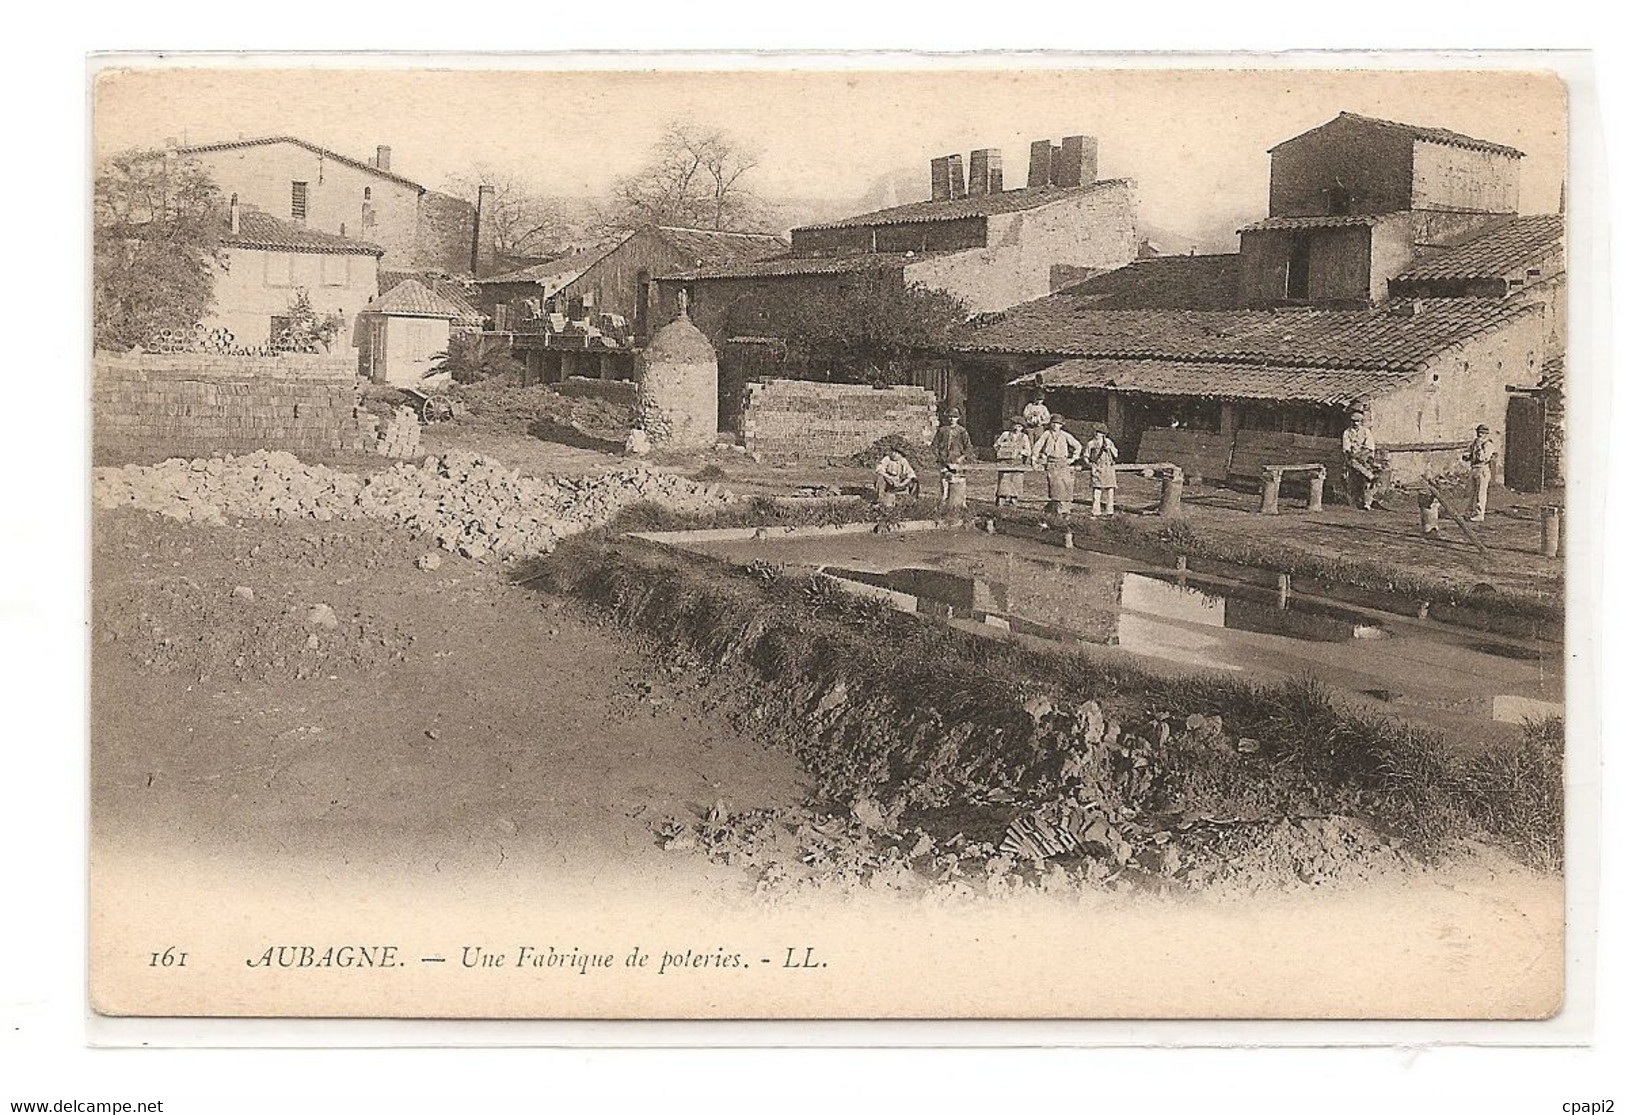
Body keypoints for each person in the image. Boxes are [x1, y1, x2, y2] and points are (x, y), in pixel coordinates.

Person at [1031, 413, 1083, 527]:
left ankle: (1064, 513)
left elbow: (1077, 445)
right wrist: (1034, 458)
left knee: (1066, 487)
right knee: (1055, 488)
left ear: (1061, 425)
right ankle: (1052, 514)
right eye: (1054, 423)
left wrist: (1073, 458)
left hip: (1063, 463)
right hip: (1051, 463)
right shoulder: (1046, 434)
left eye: (1058, 424)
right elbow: (1037, 446)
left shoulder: (1065, 435)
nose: (1055, 426)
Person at [931, 407, 975, 504]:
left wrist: (962, 458)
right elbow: (934, 445)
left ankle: (960, 502)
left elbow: (968, 447)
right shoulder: (942, 430)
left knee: (959, 480)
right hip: (944, 460)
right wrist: (939, 456)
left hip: (957, 460)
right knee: (944, 481)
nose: (952, 419)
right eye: (950, 417)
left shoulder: (962, 431)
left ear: (958, 418)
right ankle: (944, 501)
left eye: (954, 417)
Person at [1341, 405, 1379, 511]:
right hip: (1353, 459)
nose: (1355, 423)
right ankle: (1371, 476)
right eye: (1353, 421)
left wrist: (1362, 456)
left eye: (1357, 421)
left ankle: (1367, 503)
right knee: (1354, 463)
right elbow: (1347, 449)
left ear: (1361, 422)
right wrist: (1355, 456)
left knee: (1367, 481)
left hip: (1365, 458)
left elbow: (1370, 448)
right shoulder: (1347, 433)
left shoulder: (1366, 432)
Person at [992, 417, 1033, 506]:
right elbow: (996, 445)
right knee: (1004, 480)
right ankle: (1001, 500)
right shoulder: (1005, 434)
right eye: (1015, 426)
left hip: (1017, 462)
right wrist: (1002, 448)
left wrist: (1021, 452)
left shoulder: (1024, 437)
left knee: (1016, 481)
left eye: (1019, 426)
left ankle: (1013, 501)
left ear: (1022, 428)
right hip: (1005, 462)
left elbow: (1028, 451)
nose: (1017, 428)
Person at [1463, 422, 1499, 522]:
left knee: (1480, 493)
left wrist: (1479, 448)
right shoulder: (1474, 443)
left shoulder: (1488, 445)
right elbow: (1468, 453)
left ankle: (1479, 514)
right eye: (1478, 432)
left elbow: (1484, 458)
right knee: (1470, 491)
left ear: (1486, 434)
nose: (1479, 435)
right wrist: (1467, 455)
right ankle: (1469, 512)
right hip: (1474, 468)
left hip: (1483, 469)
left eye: (1482, 433)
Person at [1084, 425, 1120, 517]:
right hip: (1097, 467)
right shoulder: (1091, 443)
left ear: (1104, 434)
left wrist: (1110, 448)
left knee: (1110, 490)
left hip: (1108, 467)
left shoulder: (1109, 442)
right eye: (1096, 432)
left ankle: (1109, 511)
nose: (1097, 434)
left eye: (1099, 432)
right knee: (1097, 490)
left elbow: (1116, 454)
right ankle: (1096, 511)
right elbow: (1086, 455)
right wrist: (1090, 464)